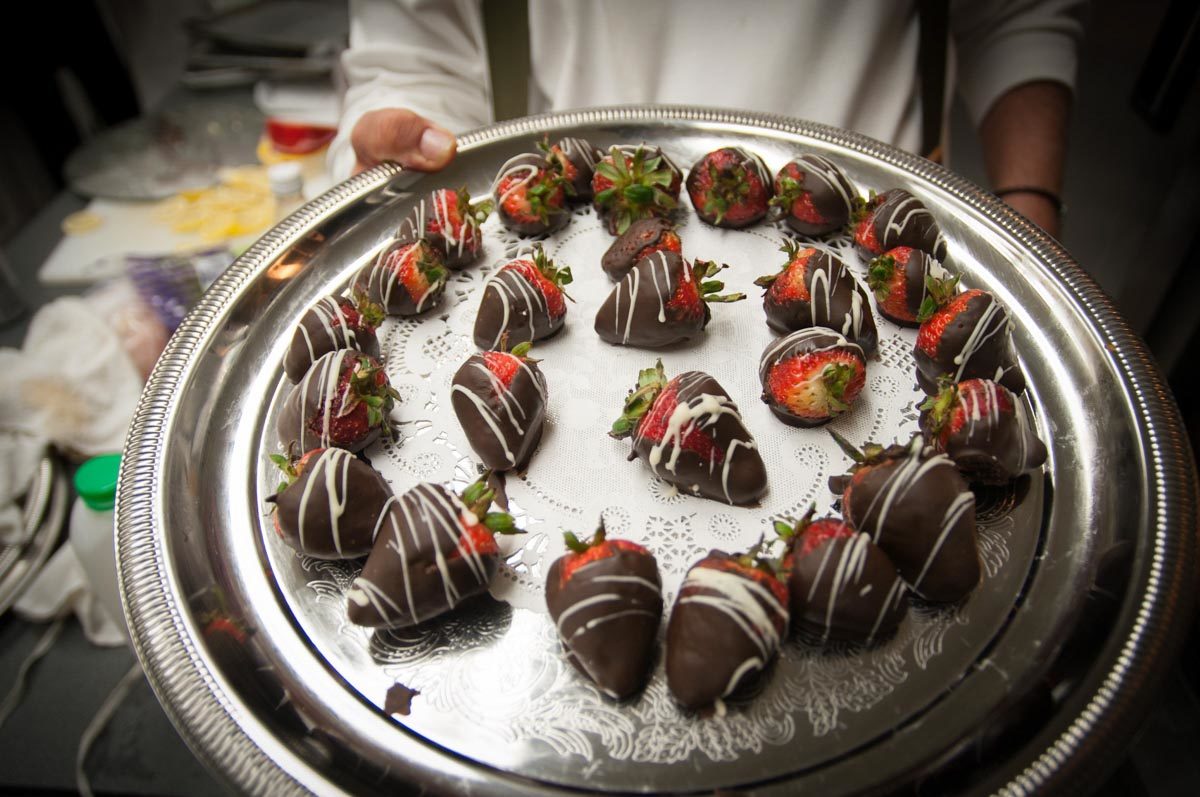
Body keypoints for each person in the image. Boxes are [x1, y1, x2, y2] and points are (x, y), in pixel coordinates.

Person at [329, 0, 1083, 237]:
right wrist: (411, 132)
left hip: (877, 215)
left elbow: (1013, 10)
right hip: (574, 216)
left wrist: (1029, 204)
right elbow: (416, 49)